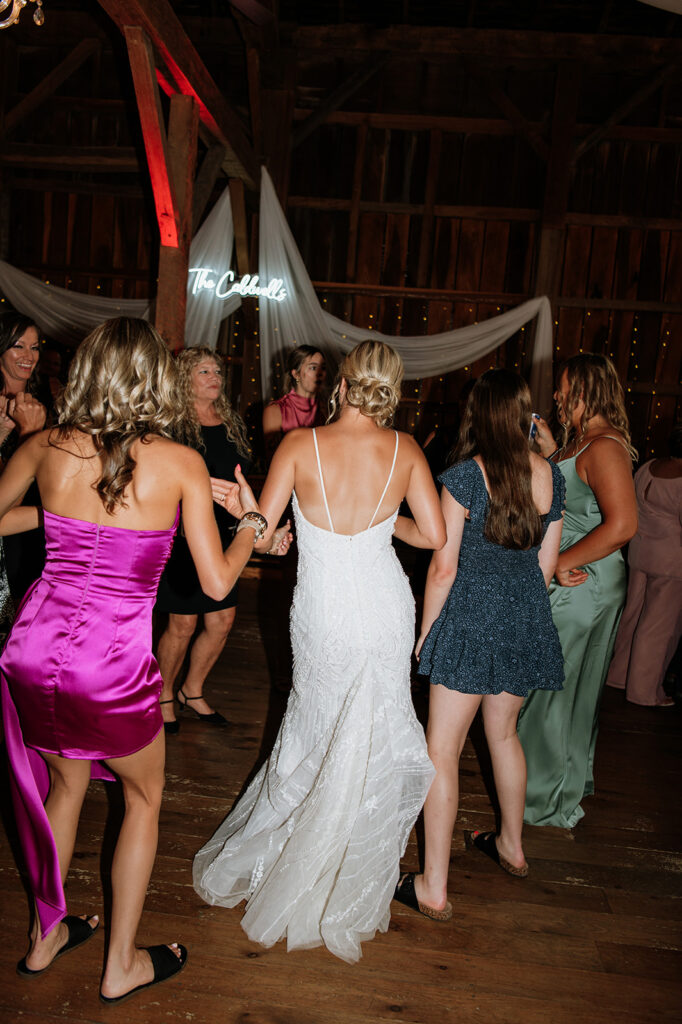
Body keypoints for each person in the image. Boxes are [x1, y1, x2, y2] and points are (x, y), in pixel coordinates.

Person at [0, 317, 285, 1004]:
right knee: (143, 796)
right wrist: (250, 523)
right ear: (157, 378)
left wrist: (61, 518)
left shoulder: (45, 445)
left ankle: (45, 938)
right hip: (109, 663)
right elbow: (218, 584)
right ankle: (121, 962)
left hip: (35, 650)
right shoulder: (180, 461)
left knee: (65, 786)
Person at [194, 340, 446, 963]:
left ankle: (294, 852)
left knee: (314, 724)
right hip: (385, 605)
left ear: (341, 383)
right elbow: (435, 535)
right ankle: (345, 871)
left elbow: (265, 538)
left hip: (325, 608)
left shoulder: (301, 446)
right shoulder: (407, 450)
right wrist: (385, 524)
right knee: (373, 732)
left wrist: (247, 512)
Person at [399, 370, 564, 918]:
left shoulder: (464, 477)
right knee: (505, 734)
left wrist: (427, 632)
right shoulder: (550, 476)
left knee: (441, 749)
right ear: (521, 413)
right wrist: (519, 614)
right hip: (525, 619)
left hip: (470, 619)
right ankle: (512, 848)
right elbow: (546, 568)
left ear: (476, 413)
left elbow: (443, 569)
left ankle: (434, 887)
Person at [518, 353, 638, 828]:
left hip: (584, 580)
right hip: (574, 574)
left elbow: (623, 524)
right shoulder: (582, 442)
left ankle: (540, 797)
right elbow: (572, 498)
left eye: (565, 389)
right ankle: (547, 786)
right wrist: (551, 451)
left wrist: (559, 563)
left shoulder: (604, 445)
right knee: (556, 684)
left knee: (552, 686)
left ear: (585, 392)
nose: (558, 397)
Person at [155, 347, 254, 733]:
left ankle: (191, 690)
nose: (214, 377)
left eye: (216, 370)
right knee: (181, 624)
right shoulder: (172, 426)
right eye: (203, 371)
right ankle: (163, 695)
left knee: (222, 620)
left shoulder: (230, 422)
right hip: (183, 535)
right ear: (185, 379)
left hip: (225, 532)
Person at [606, 424, 682, 707]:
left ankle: (619, 675)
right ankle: (644, 692)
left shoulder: (649, 467)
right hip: (672, 563)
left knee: (633, 618)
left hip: (639, 554)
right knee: (658, 629)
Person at [0, 312, 47, 600]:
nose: (28, 355)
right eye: (18, 345)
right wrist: (28, 436)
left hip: (33, 533)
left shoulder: (41, 400)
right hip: (7, 536)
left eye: (35, 346)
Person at [262, 345, 326, 460]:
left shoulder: (326, 411)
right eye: (313, 368)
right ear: (296, 374)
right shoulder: (275, 411)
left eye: (323, 367)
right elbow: (272, 458)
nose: (320, 373)